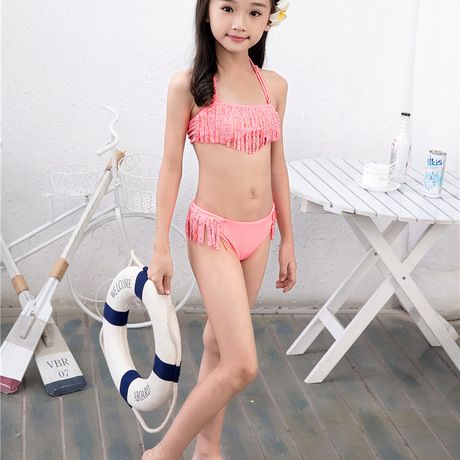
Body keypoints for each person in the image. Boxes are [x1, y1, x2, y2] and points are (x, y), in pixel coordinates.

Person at [144, 0, 296, 458]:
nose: (239, 23)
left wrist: (287, 238)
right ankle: (162, 454)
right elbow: (171, 166)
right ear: (207, 10)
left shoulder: (274, 86)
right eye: (228, 7)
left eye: (254, 12)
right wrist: (160, 246)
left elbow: (277, 166)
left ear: (269, 18)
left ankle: (208, 450)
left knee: (217, 342)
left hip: (260, 234)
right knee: (243, 364)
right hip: (214, 235)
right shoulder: (188, 86)